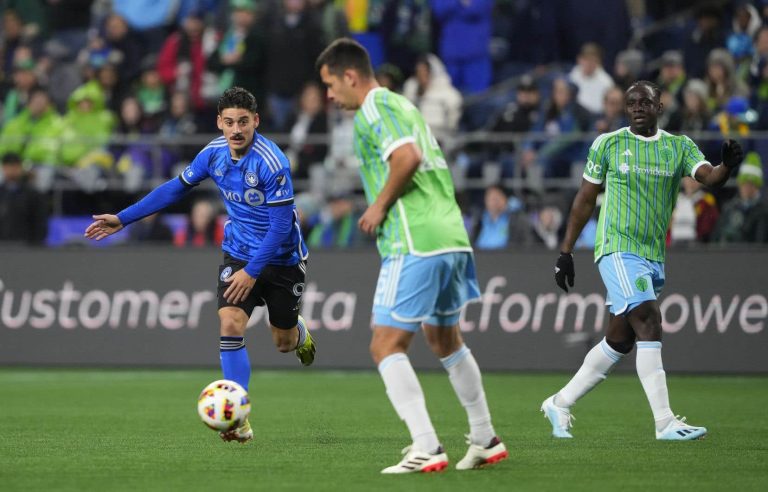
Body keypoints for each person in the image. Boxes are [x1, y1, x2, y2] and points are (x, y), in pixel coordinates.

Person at [316, 38, 507, 473]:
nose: (329, 96)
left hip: (415, 238)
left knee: (385, 344)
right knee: (445, 339)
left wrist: (379, 204)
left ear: (350, 76)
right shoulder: (403, 105)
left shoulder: (374, 108)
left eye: (330, 85)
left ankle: (426, 445)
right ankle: (484, 437)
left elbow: (407, 157)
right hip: (451, 234)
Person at [84, 87, 315, 443]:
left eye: (243, 122)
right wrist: (124, 218)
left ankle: (297, 331)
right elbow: (175, 188)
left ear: (256, 121)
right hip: (238, 251)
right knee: (230, 321)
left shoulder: (272, 162)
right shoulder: (213, 154)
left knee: (282, 342)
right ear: (219, 123)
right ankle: (238, 418)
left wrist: (253, 271)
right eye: (229, 122)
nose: (236, 129)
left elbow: (282, 226)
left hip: (281, 257)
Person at [542, 80, 744, 441]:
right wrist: (566, 252)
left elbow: (709, 177)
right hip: (617, 247)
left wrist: (726, 167)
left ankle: (559, 402)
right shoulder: (608, 144)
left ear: (659, 107)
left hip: (652, 254)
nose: (637, 108)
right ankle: (665, 422)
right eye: (631, 103)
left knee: (620, 340)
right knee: (649, 319)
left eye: (645, 103)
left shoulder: (677, 147)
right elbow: (585, 200)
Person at [0, 152, 48, 244]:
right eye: (9, 166)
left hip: (26, 246)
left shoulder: (33, 194)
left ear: (20, 168)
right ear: (3, 168)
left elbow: (40, 222)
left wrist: (36, 245)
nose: (12, 170)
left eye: (15, 166)